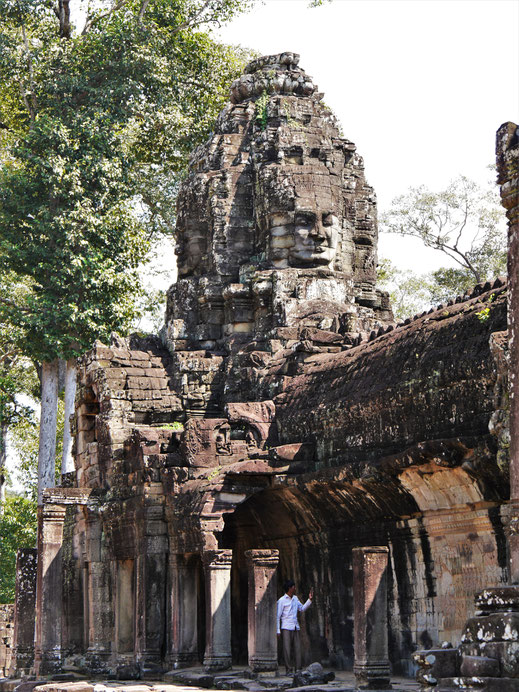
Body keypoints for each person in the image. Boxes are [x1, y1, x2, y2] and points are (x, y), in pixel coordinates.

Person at [276, 579, 313, 675]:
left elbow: (302, 608)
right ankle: (288, 670)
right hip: (286, 627)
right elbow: (278, 616)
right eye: (293, 587)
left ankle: (298, 669)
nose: (295, 588)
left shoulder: (295, 598)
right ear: (289, 588)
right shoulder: (281, 601)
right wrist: (278, 630)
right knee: (287, 649)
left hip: (295, 626)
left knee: (297, 648)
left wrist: (309, 600)